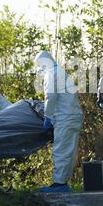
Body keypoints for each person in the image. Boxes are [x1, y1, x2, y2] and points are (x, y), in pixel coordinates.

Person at [34, 51, 83, 193]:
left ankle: (58, 184)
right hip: (73, 116)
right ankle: (62, 182)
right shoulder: (61, 72)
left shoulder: (52, 73)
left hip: (65, 117)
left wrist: (48, 116)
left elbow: (50, 96)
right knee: (69, 151)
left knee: (61, 150)